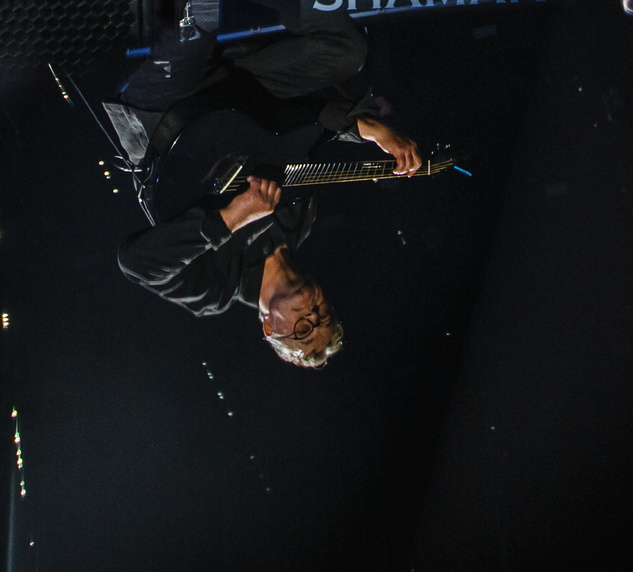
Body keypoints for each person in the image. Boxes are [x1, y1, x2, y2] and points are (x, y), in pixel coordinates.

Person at [114, 26, 421, 368]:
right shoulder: (300, 223)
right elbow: (302, 128)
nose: (314, 316)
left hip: (167, 114)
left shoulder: (214, 290)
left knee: (198, 17)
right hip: (235, 93)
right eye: (324, 317)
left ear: (269, 326)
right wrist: (372, 130)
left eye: (303, 330)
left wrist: (232, 216)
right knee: (347, 51)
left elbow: (136, 262)